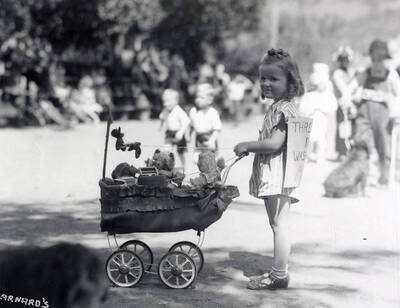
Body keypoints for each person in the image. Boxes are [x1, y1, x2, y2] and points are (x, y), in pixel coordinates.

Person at [233, 48, 304, 290]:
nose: (266, 83)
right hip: (274, 171)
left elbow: (274, 143)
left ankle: (279, 275)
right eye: (263, 78)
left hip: (279, 172)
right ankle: (279, 271)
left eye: (274, 79)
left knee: (279, 224)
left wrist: (247, 145)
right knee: (276, 223)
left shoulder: (285, 109)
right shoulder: (277, 107)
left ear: (290, 81)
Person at [352, 39, 400, 185]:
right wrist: (353, 97)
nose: (377, 63)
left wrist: (396, 110)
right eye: (374, 59)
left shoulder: (390, 75)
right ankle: (361, 171)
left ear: (385, 60)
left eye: (380, 60)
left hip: (383, 114)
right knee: (361, 139)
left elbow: (398, 94)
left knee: (383, 142)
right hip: (365, 111)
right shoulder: (365, 73)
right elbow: (351, 89)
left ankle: (384, 172)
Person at [299, 63, 338, 162]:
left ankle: (320, 155)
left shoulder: (327, 95)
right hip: (312, 119)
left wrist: (323, 109)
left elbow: (331, 106)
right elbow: (304, 108)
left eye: (324, 84)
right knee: (310, 138)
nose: (323, 86)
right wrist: (311, 110)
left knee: (321, 138)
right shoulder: (311, 95)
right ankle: (307, 155)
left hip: (322, 120)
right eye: (321, 84)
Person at [331, 46, 357, 159]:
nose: (346, 62)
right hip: (342, 103)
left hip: (353, 103)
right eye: (343, 60)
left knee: (353, 126)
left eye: (347, 60)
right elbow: (343, 89)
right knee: (342, 126)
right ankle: (342, 151)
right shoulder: (337, 73)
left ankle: (352, 149)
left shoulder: (352, 72)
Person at [159, 88, 191, 169]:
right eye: (164, 101)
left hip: (179, 133)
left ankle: (184, 167)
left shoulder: (178, 111)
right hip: (169, 133)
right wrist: (160, 126)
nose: (165, 104)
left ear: (176, 101)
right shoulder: (165, 109)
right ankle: (169, 166)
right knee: (167, 150)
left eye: (168, 101)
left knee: (180, 152)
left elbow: (186, 121)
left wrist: (181, 132)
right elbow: (162, 117)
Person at [189, 83, 222, 155]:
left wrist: (212, 140)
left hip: (209, 137)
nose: (198, 100)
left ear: (209, 100)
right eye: (197, 97)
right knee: (196, 159)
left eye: (202, 97)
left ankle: (218, 163)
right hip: (199, 139)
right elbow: (191, 126)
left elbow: (217, 129)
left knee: (211, 160)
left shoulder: (213, 113)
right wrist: (188, 136)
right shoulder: (193, 111)